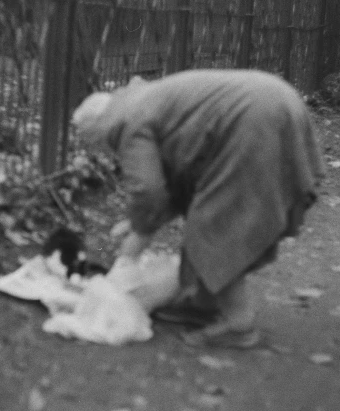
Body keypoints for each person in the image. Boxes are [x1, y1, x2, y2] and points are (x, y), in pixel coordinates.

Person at [71, 69, 324, 349]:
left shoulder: (125, 123)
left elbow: (149, 191)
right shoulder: (140, 100)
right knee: (210, 212)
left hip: (253, 119)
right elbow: (176, 180)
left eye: (98, 143)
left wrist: (129, 254)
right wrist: (138, 219)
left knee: (218, 225)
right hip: (274, 98)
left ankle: (239, 323)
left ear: (98, 130)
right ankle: (202, 303)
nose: (107, 150)